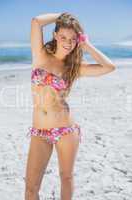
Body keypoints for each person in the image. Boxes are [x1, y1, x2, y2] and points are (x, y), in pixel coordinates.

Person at [24, 12, 116, 200]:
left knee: (66, 177)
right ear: (56, 35)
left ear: (77, 41)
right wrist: (64, 15)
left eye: (73, 39)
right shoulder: (40, 54)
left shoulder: (74, 66)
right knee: (31, 188)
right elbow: (36, 21)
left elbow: (109, 67)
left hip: (66, 129)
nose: (68, 42)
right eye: (64, 37)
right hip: (40, 131)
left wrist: (87, 45)